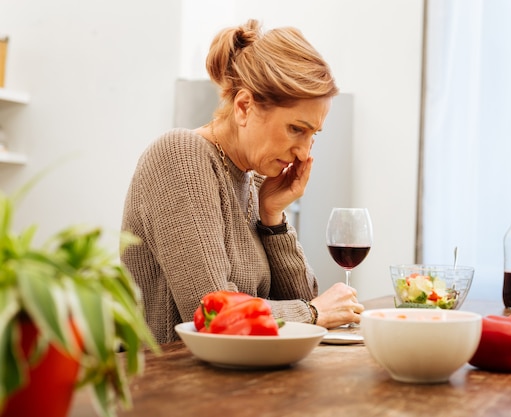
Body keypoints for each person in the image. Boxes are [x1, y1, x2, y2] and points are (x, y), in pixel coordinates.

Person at [121, 19, 365, 344]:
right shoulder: (181, 155)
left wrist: (273, 218)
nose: (304, 152)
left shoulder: (252, 178)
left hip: (237, 382)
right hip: (171, 386)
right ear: (244, 106)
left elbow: (301, 298)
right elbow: (209, 313)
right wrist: (312, 313)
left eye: (313, 135)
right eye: (296, 129)